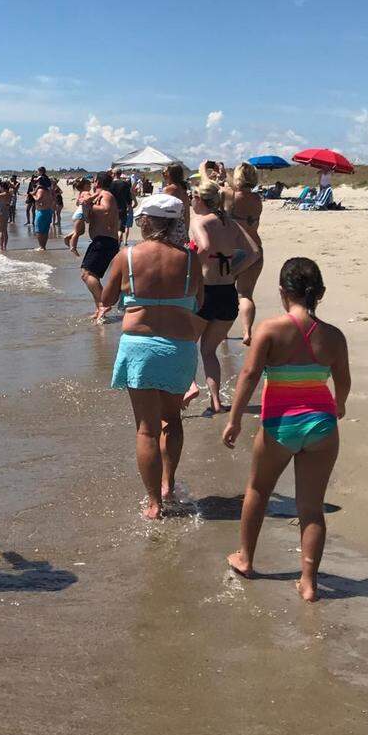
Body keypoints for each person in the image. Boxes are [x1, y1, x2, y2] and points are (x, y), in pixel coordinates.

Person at [222, 257, 350, 602]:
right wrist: (338, 405)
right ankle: (308, 583)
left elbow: (249, 376)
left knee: (259, 490)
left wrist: (234, 418)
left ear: (282, 292)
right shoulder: (334, 336)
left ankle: (246, 558)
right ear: (319, 293)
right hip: (321, 425)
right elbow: (344, 384)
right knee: (311, 507)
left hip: (280, 423)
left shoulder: (270, 329)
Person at [103, 193, 205, 518]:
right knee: (172, 421)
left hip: (139, 347)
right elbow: (198, 301)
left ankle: (153, 504)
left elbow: (107, 298)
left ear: (145, 221)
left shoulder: (128, 256)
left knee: (146, 428)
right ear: (176, 223)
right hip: (178, 347)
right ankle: (168, 485)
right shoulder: (190, 260)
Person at [183, 181, 260, 414]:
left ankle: (191, 385)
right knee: (208, 351)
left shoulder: (199, 222)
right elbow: (254, 252)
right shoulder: (231, 223)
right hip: (228, 293)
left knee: (186, 345)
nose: (190, 200)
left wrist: (191, 266)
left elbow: (204, 247)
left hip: (206, 292)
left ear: (200, 199)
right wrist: (234, 270)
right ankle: (216, 402)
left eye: (192, 196)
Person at [226, 161, 264, 346]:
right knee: (246, 294)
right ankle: (247, 332)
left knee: (225, 290)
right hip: (255, 248)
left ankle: (223, 330)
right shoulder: (257, 199)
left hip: (235, 250)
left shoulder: (230, 196)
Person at [80, 171, 120, 318]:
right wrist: (86, 206)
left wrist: (88, 205)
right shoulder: (97, 197)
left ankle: (104, 304)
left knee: (87, 274)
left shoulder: (106, 195)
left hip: (106, 240)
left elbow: (106, 210)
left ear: (97, 182)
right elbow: (89, 219)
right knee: (91, 275)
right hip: (101, 240)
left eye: (94, 180)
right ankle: (99, 309)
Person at [29, 170, 56, 251]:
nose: (36, 183)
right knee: (45, 230)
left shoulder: (41, 190)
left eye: (37, 181)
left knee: (39, 231)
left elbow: (38, 199)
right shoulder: (49, 190)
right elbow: (54, 198)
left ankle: (41, 246)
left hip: (41, 212)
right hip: (48, 211)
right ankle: (43, 246)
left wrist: (33, 195)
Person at [162, 161, 191, 232]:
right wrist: (186, 231)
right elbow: (187, 214)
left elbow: (163, 212)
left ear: (170, 175)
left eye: (164, 172)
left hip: (170, 229)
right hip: (181, 229)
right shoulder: (183, 190)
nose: (163, 175)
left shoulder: (168, 189)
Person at [109, 168, 134, 245]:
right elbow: (128, 197)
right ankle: (118, 244)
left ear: (113, 174)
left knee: (113, 227)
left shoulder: (110, 184)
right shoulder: (125, 184)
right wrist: (129, 207)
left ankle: (114, 243)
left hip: (111, 208)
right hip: (122, 208)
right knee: (120, 229)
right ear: (120, 174)